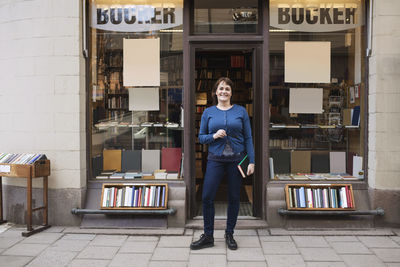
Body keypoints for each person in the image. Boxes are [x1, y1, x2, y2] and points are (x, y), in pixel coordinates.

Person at [190, 77, 255, 250]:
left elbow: (248, 137)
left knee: (234, 198)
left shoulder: (240, 112)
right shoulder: (208, 112)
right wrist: (214, 136)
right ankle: (208, 235)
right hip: (215, 160)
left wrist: (252, 161)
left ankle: (229, 233)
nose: (224, 91)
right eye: (221, 88)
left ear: (231, 92)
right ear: (215, 92)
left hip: (236, 160)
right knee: (207, 196)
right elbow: (201, 137)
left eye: (227, 89)